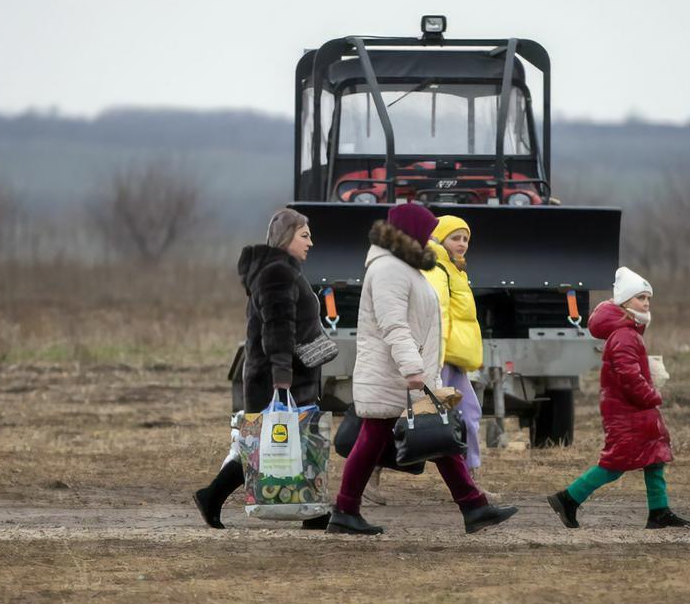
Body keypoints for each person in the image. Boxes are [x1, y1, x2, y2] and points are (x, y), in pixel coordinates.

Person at [327, 203, 518, 536]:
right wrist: (413, 368)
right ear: (411, 233)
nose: (431, 239)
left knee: (435, 437)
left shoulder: (404, 267)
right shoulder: (389, 269)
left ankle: (473, 506)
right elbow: (394, 325)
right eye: (427, 233)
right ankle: (345, 510)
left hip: (403, 372)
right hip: (396, 373)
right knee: (386, 438)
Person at [194, 208, 330, 529]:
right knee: (268, 445)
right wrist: (281, 377)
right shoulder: (278, 273)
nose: (311, 242)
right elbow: (277, 327)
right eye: (304, 236)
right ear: (286, 238)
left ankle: (313, 511)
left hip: (286, 374)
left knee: (279, 443)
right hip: (279, 377)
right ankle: (212, 496)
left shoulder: (282, 270)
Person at [547, 267, 690, 530]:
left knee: (654, 456)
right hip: (627, 411)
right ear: (625, 301)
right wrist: (652, 395)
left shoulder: (629, 332)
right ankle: (568, 498)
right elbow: (629, 376)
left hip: (634, 410)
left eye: (647, 298)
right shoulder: (624, 335)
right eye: (640, 298)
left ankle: (659, 511)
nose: (646, 303)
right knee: (615, 463)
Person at [424, 214, 493, 498]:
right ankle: (372, 474)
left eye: (465, 238)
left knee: (468, 415)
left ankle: (471, 479)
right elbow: (437, 313)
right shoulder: (437, 268)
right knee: (411, 420)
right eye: (456, 237)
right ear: (440, 238)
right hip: (440, 359)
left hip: (454, 358)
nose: (462, 243)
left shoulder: (456, 271)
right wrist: (435, 361)